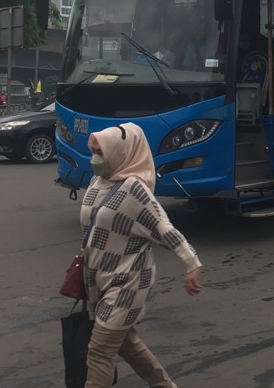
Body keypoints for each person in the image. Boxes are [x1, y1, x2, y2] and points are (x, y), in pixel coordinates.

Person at [81, 123, 202, 387]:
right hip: (98, 279)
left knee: (100, 351)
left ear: (120, 152)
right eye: (93, 151)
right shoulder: (97, 181)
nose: (95, 159)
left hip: (127, 283)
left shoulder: (134, 189)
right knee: (126, 344)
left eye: (100, 152)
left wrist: (191, 263)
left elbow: (165, 229)